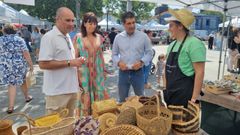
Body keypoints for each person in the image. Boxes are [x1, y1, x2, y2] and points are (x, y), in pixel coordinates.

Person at [38, 7, 85, 116]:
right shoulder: (49, 37)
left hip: (71, 90)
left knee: (69, 127)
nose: (71, 23)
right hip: (57, 93)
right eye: (67, 20)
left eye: (73, 20)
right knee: (56, 128)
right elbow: (42, 64)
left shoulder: (67, 36)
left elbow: (69, 61)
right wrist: (70, 62)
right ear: (57, 19)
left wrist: (76, 63)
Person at [157, 8, 206, 107]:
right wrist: (166, 90)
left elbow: (200, 72)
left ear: (180, 26)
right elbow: (167, 69)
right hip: (170, 95)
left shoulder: (194, 44)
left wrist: (194, 99)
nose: (168, 29)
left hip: (185, 97)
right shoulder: (172, 45)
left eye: (171, 25)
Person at [112, 11, 153, 102]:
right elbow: (114, 54)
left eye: (133, 22)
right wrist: (118, 62)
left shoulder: (143, 37)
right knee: (122, 100)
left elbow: (149, 53)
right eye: (129, 23)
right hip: (123, 73)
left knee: (141, 99)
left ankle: (140, 116)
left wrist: (142, 62)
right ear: (123, 24)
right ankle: (124, 115)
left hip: (138, 73)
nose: (132, 26)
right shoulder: (118, 37)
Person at [74, 12, 109, 116]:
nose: (92, 26)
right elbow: (75, 57)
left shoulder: (99, 37)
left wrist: (104, 70)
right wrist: (75, 75)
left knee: (99, 91)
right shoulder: (78, 37)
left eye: (94, 24)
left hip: (97, 71)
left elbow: (101, 55)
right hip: (84, 72)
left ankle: (98, 118)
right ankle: (85, 121)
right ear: (84, 23)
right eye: (90, 23)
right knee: (85, 95)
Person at [0, 24, 33, 114]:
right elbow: (26, 53)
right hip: (19, 65)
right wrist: (31, 65)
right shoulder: (19, 39)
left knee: (12, 84)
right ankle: (24, 99)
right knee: (22, 81)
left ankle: (15, 104)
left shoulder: (1, 40)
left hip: (5, 66)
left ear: (5, 31)